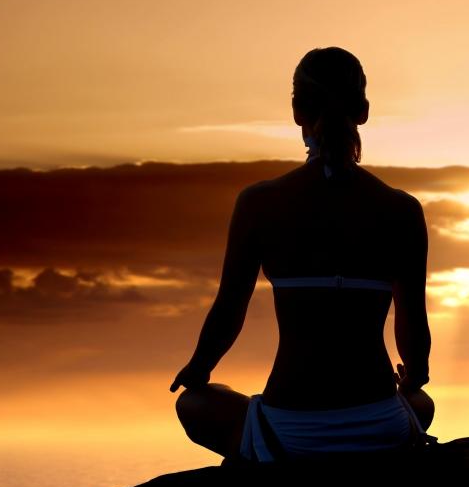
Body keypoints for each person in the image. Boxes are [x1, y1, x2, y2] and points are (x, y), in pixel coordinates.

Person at [170, 46, 436, 463]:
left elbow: (228, 311)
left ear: (297, 111)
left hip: (290, 432)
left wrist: (199, 369)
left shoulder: (259, 203)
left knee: (194, 405)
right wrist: (413, 377)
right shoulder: (402, 209)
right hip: (379, 427)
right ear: (363, 110)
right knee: (421, 403)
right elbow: (414, 335)